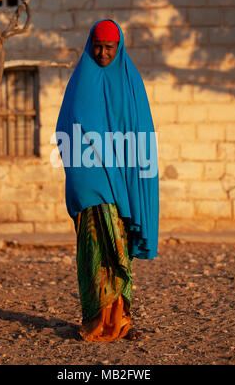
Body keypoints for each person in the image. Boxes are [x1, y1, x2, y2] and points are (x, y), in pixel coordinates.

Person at [55, 19, 159, 342]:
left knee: (118, 249)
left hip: (120, 187)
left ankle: (122, 321)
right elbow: (65, 129)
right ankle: (95, 321)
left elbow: (141, 133)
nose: (102, 53)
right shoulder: (80, 79)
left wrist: (130, 174)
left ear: (119, 47)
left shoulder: (130, 82)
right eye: (97, 46)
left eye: (108, 48)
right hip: (90, 186)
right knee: (93, 253)